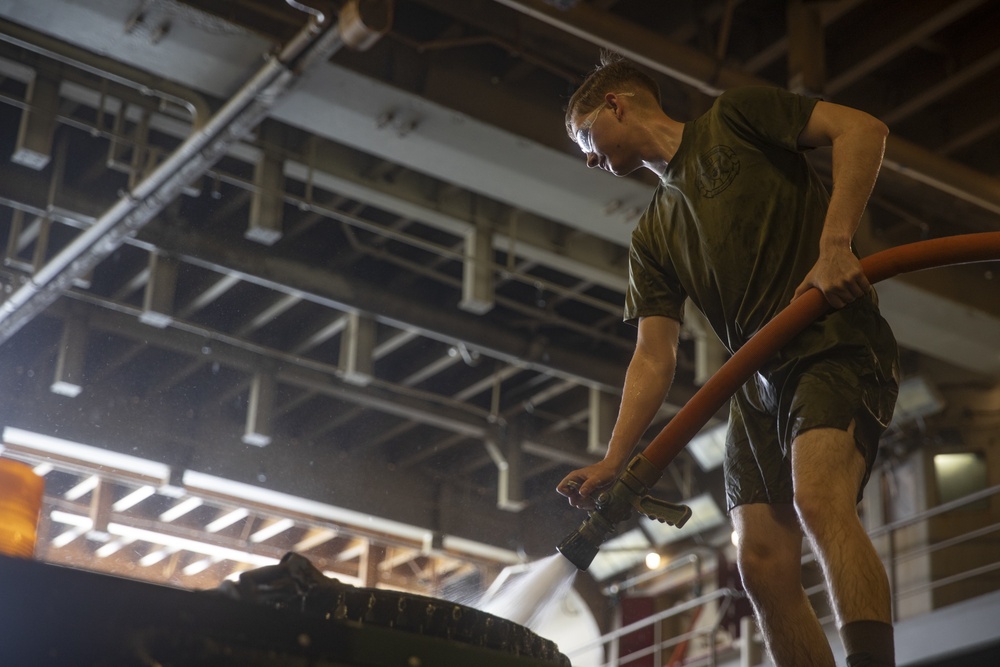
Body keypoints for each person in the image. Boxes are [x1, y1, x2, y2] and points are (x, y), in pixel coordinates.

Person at [556, 53, 899, 667]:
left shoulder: (735, 118)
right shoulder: (653, 233)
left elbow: (863, 129)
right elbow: (653, 355)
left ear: (616, 104)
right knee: (760, 561)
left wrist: (835, 244)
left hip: (829, 340)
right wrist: (616, 457)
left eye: (585, 136)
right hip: (757, 379)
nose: (586, 156)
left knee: (817, 500)